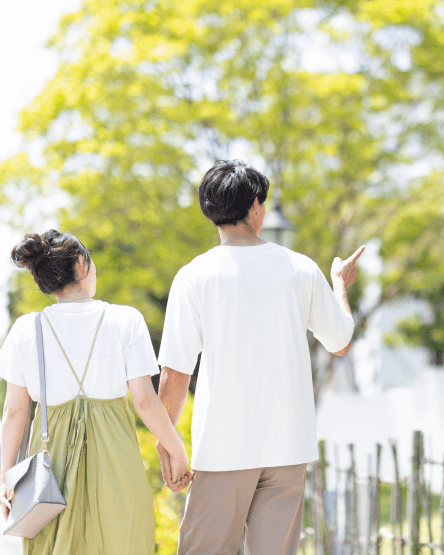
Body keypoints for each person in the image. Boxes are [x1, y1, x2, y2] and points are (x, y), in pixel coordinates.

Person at [156, 159, 364, 555]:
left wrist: (168, 444)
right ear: (254, 206)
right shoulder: (300, 269)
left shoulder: (194, 276)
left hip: (222, 447)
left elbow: (176, 374)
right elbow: (340, 341)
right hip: (288, 445)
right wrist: (340, 285)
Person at [0, 229, 193, 555]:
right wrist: (176, 449)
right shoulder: (125, 320)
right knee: (125, 541)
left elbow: (15, 412)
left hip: (50, 466)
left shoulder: (27, 329)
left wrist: (6, 479)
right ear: (81, 264)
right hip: (117, 455)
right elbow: (144, 399)